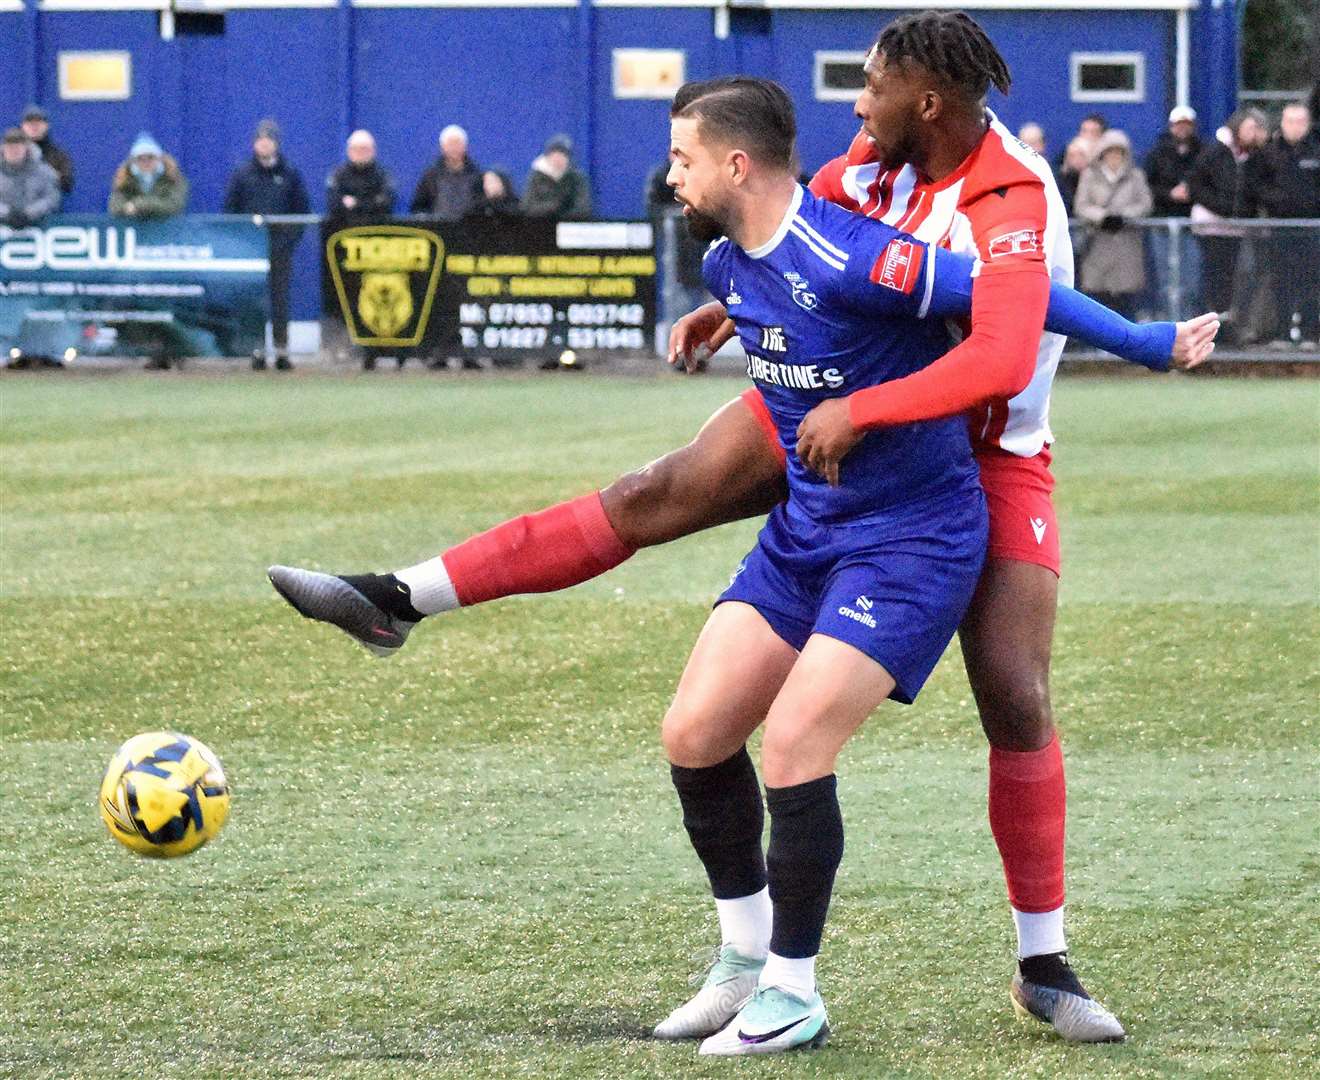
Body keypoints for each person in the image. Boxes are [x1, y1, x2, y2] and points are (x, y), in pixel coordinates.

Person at [268, 12, 1220, 1047]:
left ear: (929, 102)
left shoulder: (1009, 194)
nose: (856, 108)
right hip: (832, 410)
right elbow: (795, 232)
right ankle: (400, 597)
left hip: (974, 451)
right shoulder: (875, 159)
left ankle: (1041, 962)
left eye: (874, 87)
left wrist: (1148, 341)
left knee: (1014, 692)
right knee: (654, 496)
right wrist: (744, 302)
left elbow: (1002, 341)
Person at [223, 119, 311, 370]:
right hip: (250, 251)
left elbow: (301, 212)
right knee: (253, 301)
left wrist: (288, 241)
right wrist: (241, 242)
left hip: (280, 248)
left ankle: (282, 351)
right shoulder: (242, 174)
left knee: (280, 300)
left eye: (269, 140)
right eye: (260, 141)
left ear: (276, 144)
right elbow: (230, 211)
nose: (264, 145)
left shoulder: (290, 173)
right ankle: (256, 350)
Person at [1188, 108, 1267, 343]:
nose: (1253, 134)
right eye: (1249, 128)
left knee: (1237, 280)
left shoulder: (1255, 158)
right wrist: (1222, 208)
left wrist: (1241, 212)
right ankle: (1210, 328)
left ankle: (1229, 327)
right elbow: (1196, 185)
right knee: (1212, 280)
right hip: (1211, 228)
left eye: (1256, 129)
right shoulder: (1214, 152)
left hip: (1238, 229)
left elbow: (1257, 189)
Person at [1248, 103, 1319, 348]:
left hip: (1313, 230)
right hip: (1279, 229)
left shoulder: (1316, 150)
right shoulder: (1268, 153)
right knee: (1281, 281)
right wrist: (1278, 200)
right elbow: (1256, 185)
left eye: (1300, 121)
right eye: (1290, 121)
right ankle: (1282, 334)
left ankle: (1311, 335)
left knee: (1311, 282)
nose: (1295, 126)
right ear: (1282, 123)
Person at [1073, 129, 1153, 319]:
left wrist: (1124, 216)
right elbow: (1081, 205)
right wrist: (1102, 217)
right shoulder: (1090, 175)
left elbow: (1145, 203)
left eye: (1119, 152)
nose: (1114, 156)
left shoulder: (1136, 176)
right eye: (1110, 152)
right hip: (1098, 242)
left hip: (1127, 243)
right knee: (1098, 295)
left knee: (1127, 296)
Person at [646, 154, 708, 359]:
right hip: (676, 254)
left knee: (704, 302)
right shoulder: (662, 177)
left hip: (704, 250)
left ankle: (701, 352)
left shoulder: (702, 173)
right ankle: (680, 353)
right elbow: (653, 207)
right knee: (679, 303)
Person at [1145, 106, 1203, 317]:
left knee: (1191, 276)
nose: (1183, 129)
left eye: (1187, 125)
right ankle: (1167, 320)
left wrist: (1191, 192)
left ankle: (1188, 319)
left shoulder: (1202, 152)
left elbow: (1208, 182)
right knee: (1165, 275)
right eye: (1179, 125)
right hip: (1162, 222)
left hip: (1192, 223)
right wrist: (1169, 194)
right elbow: (1148, 186)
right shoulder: (1157, 153)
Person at [410, 125, 483, 221]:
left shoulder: (476, 175)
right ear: (442, 147)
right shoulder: (431, 175)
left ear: (465, 147)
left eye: (457, 144)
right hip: (438, 230)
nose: (454, 148)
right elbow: (418, 207)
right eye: (450, 144)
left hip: (468, 229)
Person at [108, 133, 188, 219]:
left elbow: (174, 206)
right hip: (135, 229)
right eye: (140, 158)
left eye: (150, 157)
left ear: (159, 158)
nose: (146, 162)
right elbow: (114, 207)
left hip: (167, 229)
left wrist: (138, 205)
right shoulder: (125, 178)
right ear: (133, 161)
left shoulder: (173, 177)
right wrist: (125, 209)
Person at [326, 130, 395, 224]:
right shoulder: (338, 175)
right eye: (355, 149)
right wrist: (372, 202)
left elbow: (386, 203)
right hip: (344, 229)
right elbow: (334, 204)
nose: (360, 153)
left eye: (364, 149)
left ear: (373, 151)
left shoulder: (383, 175)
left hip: (377, 230)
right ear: (348, 151)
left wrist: (355, 204)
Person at [521, 134, 592, 220]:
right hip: (540, 225)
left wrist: (564, 218)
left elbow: (583, 207)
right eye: (555, 154)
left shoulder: (577, 178)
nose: (558, 159)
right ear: (547, 156)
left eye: (563, 155)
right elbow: (527, 207)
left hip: (569, 227)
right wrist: (553, 207)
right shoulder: (536, 177)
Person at [0, 127, 61, 228]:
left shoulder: (45, 172)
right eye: (9, 147)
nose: (14, 151)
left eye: (18, 147)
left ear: (27, 149)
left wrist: (28, 214)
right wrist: (7, 213)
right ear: (2, 149)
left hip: (39, 229)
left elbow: (52, 198)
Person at [20, 105, 74, 196]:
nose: (34, 126)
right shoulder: (8, 153)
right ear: (22, 126)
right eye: (30, 123)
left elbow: (67, 184)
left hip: (49, 205)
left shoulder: (58, 155)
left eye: (38, 122)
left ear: (46, 126)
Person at [1055, 137, 1092, 216]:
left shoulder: (1096, 180)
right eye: (1072, 156)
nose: (1076, 159)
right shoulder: (1059, 181)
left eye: (1081, 155)